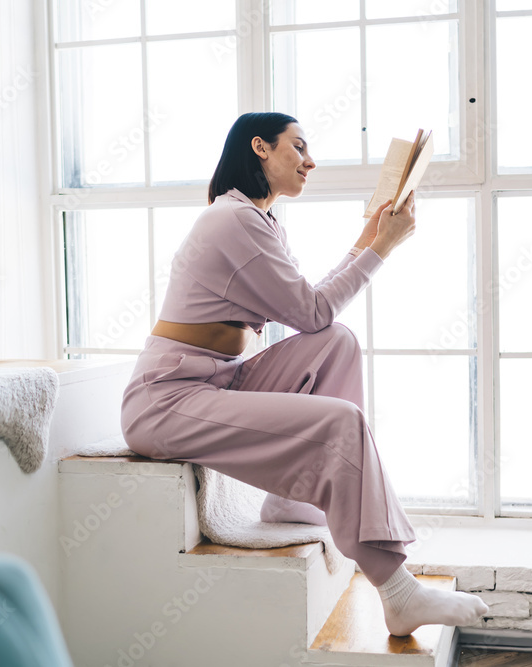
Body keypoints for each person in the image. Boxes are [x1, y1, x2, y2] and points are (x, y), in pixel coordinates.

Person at [120, 112, 488, 637]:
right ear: (260, 149)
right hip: (166, 399)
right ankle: (398, 590)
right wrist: (381, 246)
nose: (310, 160)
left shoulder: (258, 220)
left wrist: (370, 235)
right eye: (298, 146)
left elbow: (316, 316)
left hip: (216, 379)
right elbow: (313, 310)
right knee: (340, 421)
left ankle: (291, 502)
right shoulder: (232, 220)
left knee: (335, 344)